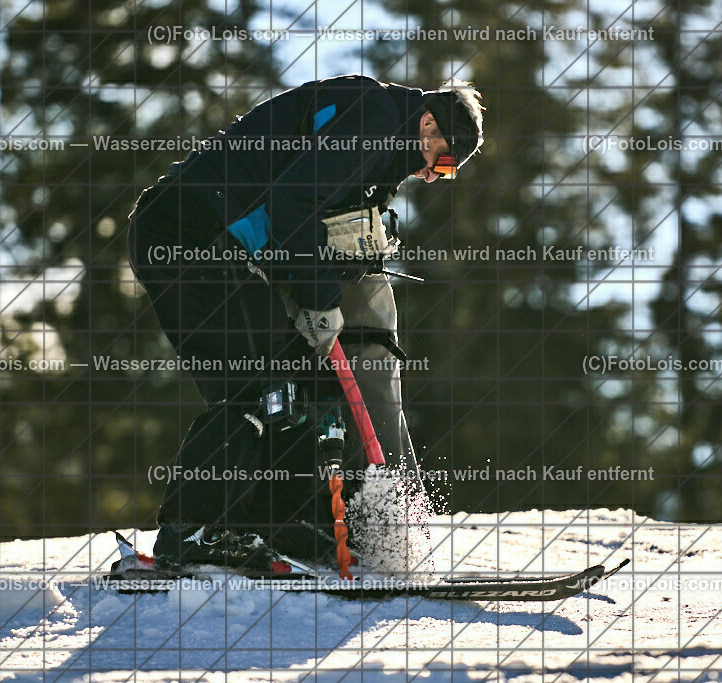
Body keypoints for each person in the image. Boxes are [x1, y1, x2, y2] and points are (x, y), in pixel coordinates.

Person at [126, 75, 484, 569]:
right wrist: (321, 301)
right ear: (428, 124)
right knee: (255, 383)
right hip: (189, 228)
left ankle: (286, 526)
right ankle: (192, 531)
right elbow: (294, 200)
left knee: (307, 384)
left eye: (444, 174)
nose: (431, 176)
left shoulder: (380, 143)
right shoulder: (377, 117)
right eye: (441, 161)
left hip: (223, 243)